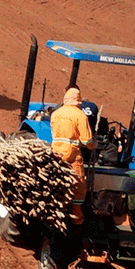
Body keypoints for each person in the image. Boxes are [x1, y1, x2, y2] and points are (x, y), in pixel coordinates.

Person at [50, 87, 94, 226]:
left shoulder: (55, 114)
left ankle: (54, 211)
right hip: (73, 154)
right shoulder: (80, 115)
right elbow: (87, 141)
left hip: (56, 152)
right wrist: (94, 147)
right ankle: (76, 218)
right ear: (78, 99)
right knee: (78, 184)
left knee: (56, 181)